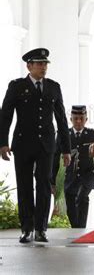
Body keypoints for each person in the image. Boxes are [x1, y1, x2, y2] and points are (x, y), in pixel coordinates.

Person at [0, 48, 71, 243]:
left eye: (45, 64)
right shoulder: (16, 86)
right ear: (29, 66)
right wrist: (3, 143)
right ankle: (26, 229)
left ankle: (41, 229)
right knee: (24, 187)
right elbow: (5, 115)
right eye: (39, 64)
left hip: (46, 146)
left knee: (43, 186)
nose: (43, 67)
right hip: (22, 144)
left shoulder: (53, 87)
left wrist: (66, 149)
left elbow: (62, 120)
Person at [52, 105, 94, 228]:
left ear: (86, 119)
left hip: (87, 176)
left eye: (81, 118)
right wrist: (52, 180)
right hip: (70, 177)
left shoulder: (92, 134)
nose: (78, 121)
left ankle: (81, 229)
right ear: (71, 119)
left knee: (82, 197)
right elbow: (54, 158)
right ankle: (76, 229)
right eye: (75, 118)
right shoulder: (63, 135)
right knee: (70, 203)